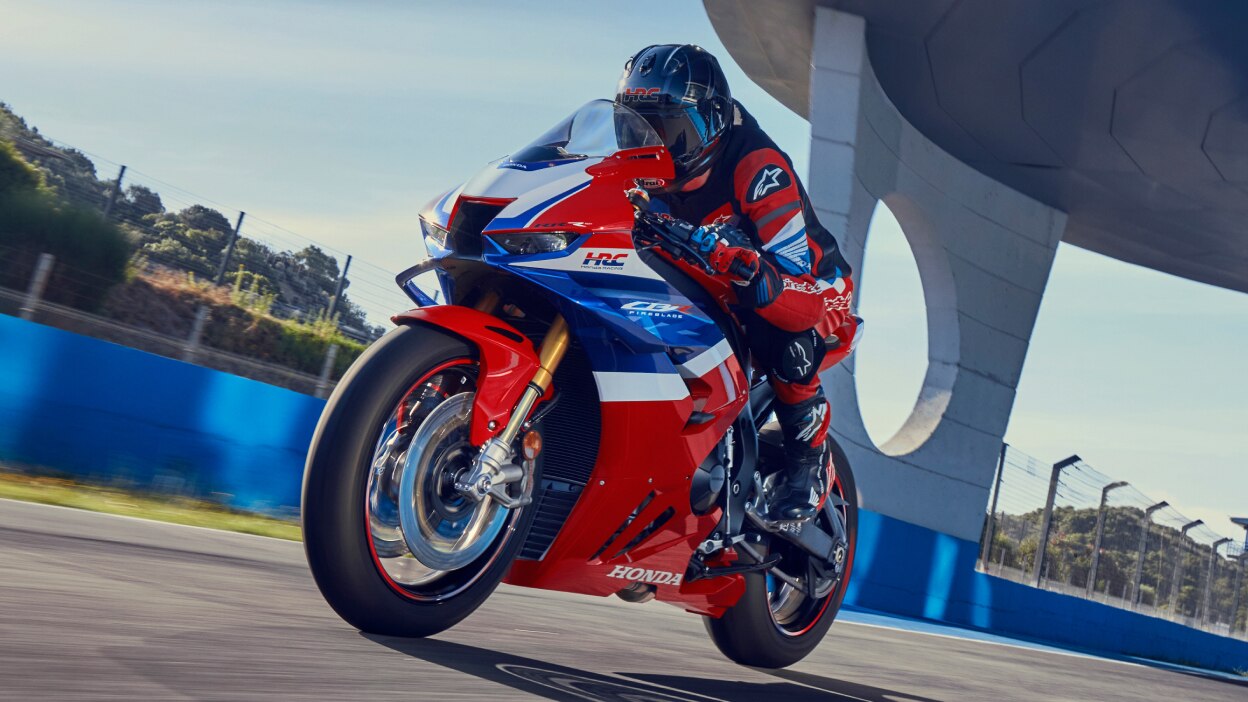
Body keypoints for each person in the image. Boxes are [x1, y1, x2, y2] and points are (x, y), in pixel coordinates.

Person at [616, 44, 854, 521]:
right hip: (707, 277)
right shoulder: (640, 172)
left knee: (778, 324)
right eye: (638, 128)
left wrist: (750, 269)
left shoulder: (757, 167)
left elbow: (797, 287)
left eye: (670, 130)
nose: (655, 145)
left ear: (713, 121)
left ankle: (807, 462)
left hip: (814, 288)